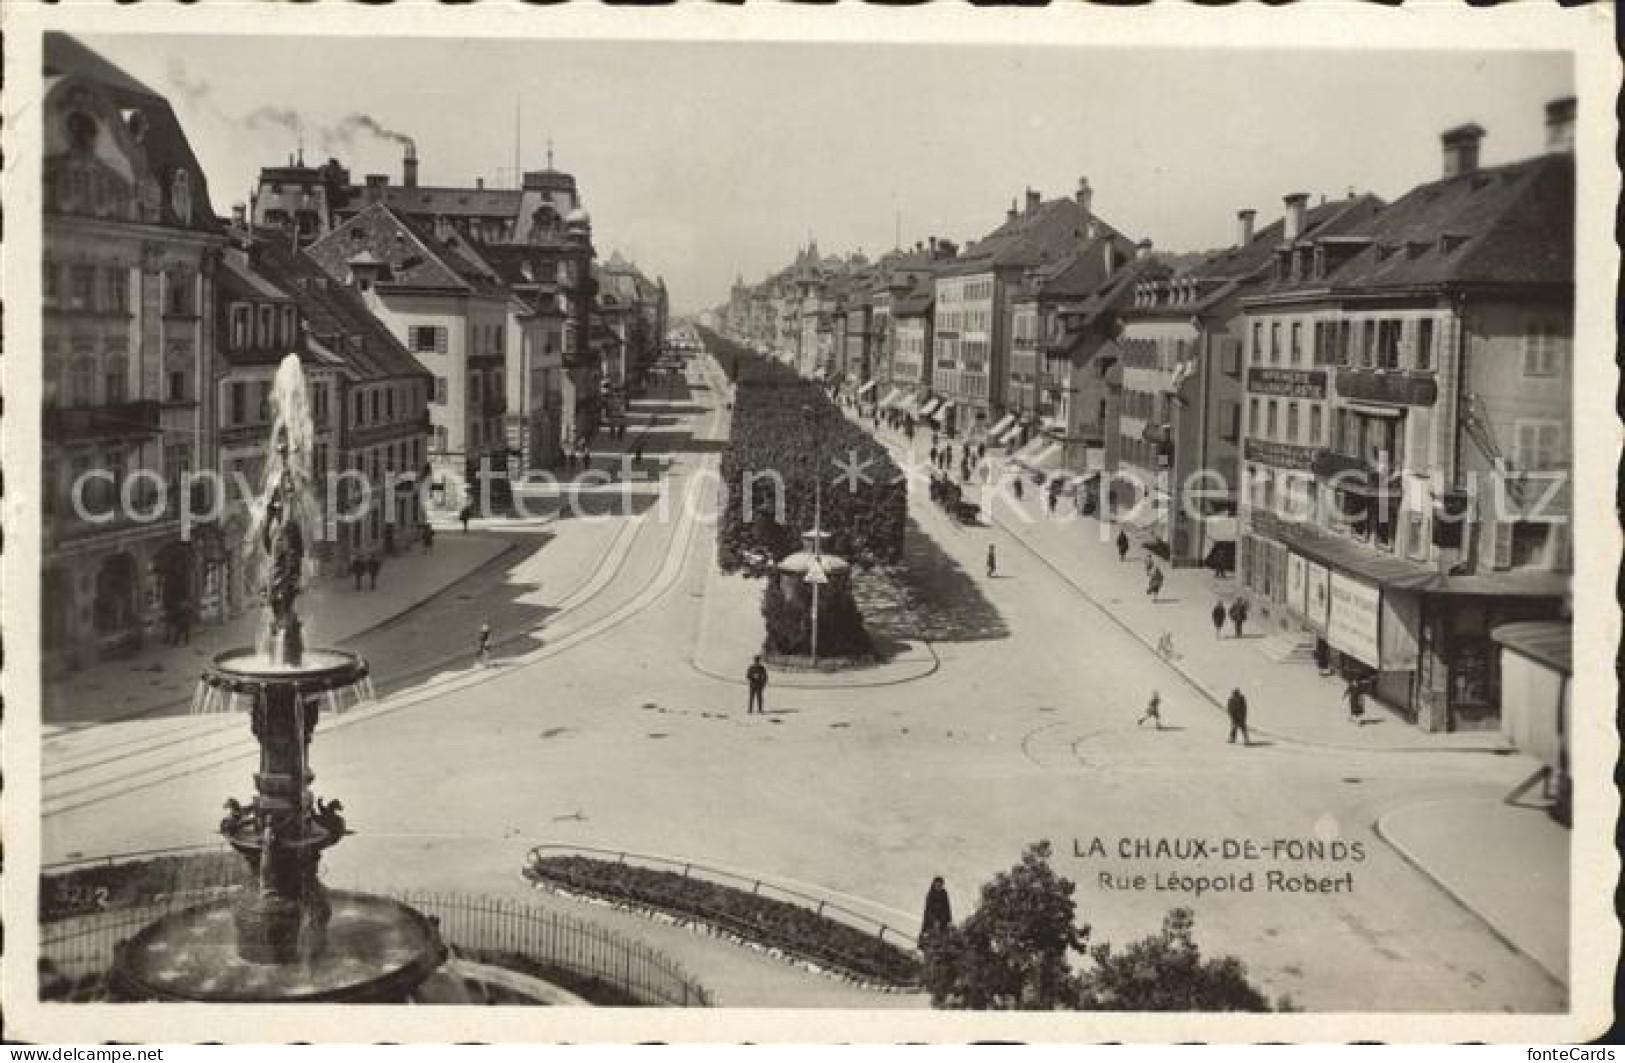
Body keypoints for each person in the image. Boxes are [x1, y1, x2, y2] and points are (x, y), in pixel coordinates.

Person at [919, 876, 953, 949]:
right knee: (931, 937)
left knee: (944, 937)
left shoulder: (944, 893)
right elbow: (928, 910)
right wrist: (934, 920)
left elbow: (947, 907)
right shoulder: (931, 894)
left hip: (943, 920)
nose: (939, 887)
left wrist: (949, 920)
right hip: (931, 921)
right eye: (937, 885)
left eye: (940, 885)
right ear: (934, 885)